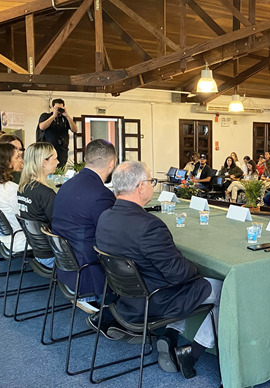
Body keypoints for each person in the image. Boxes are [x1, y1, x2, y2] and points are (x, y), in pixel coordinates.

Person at [95, 161, 221, 379]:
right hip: (155, 300)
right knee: (224, 289)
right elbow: (179, 274)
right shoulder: (149, 226)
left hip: (126, 298)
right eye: (151, 181)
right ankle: (193, 352)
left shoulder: (104, 217)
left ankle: (172, 334)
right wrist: (195, 267)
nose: (152, 186)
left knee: (180, 280)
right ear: (141, 186)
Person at [52, 139, 117, 314]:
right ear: (112, 163)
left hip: (67, 269)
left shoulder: (66, 186)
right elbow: (114, 236)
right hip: (88, 276)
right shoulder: (101, 194)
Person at [37, 98, 77, 168]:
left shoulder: (65, 119)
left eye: (60, 108)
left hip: (62, 150)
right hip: (48, 150)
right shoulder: (46, 116)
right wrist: (53, 116)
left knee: (60, 170)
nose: (59, 110)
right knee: (47, 168)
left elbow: (75, 129)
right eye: (57, 108)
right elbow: (42, 127)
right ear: (52, 108)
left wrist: (67, 115)